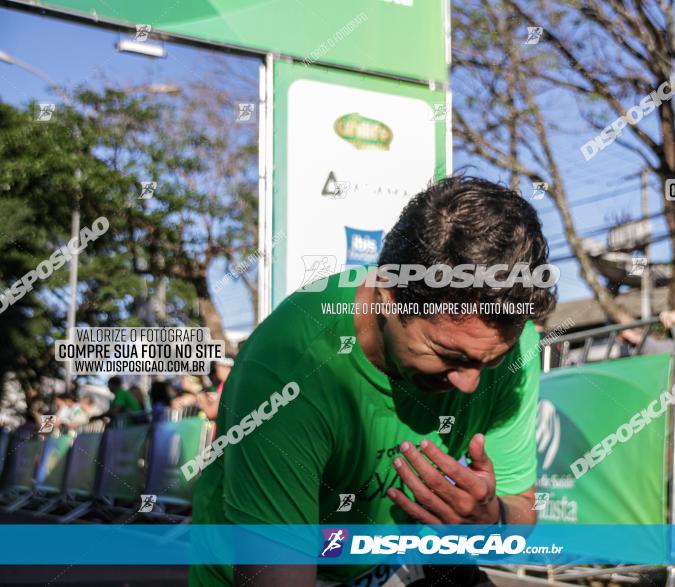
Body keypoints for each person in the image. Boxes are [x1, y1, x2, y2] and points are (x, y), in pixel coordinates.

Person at [191, 176, 557, 586]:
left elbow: (522, 510)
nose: (471, 385)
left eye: (490, 362)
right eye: (450, 356)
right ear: (387, 296)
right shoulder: (290, 364)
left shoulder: (507, 340)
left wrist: (492, 519)